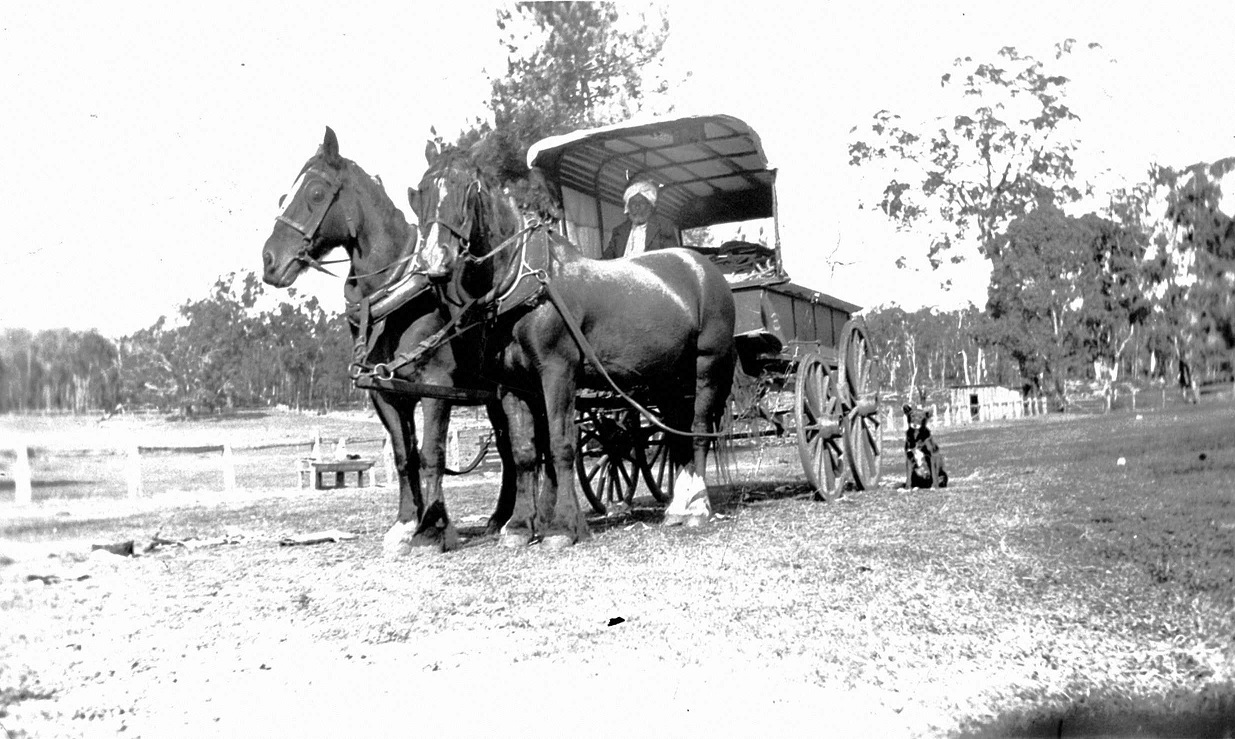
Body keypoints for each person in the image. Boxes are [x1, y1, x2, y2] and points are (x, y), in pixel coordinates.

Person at [602, 179, 680, 259]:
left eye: (641, 202)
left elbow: (672, 258)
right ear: (628, 207)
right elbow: (606, 259)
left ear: (650, 205)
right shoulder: (619, 231)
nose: (637, 206)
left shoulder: (663, 227)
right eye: (633, 203)